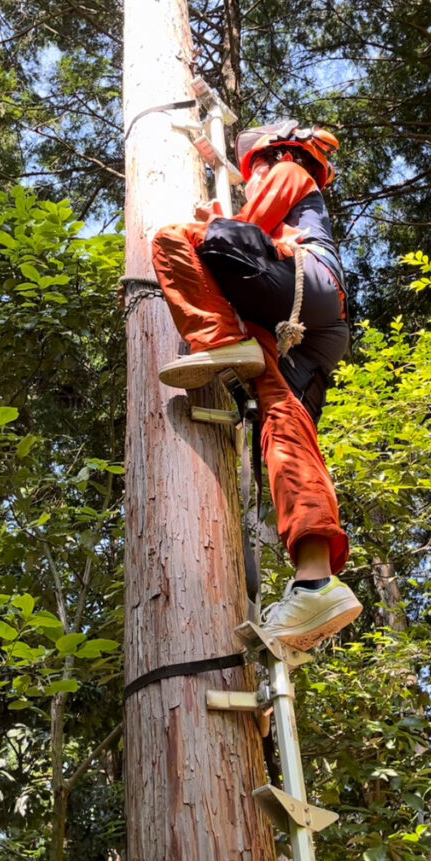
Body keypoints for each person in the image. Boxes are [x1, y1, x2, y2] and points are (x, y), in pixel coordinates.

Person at [151, 121, 362, 650]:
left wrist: (216, 221)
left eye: (256, 172)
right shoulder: (295, 190)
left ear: (275, 156)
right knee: (286, 435)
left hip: (304, 288)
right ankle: (316, 581)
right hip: (307, 335)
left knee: (179, 241)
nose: (255, 179)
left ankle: (219, 340)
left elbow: (243, 231)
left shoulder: (288, 171)